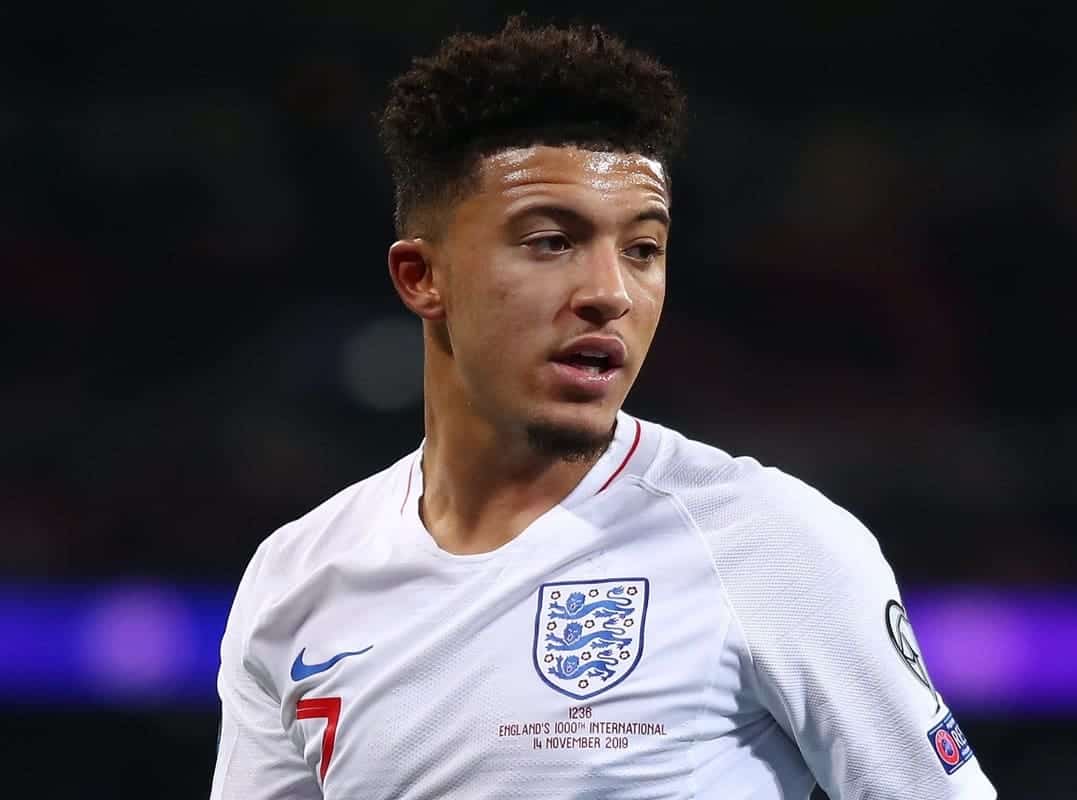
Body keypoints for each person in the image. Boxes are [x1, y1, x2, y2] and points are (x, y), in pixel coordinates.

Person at [210, 17, 997, 800]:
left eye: (643, 249)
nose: (610, 293)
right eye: (552, 241)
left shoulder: (770, 543)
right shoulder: (297, 577)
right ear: (423, 277)